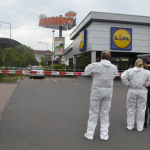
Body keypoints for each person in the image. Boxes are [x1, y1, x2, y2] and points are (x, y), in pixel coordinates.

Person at [84, 50, 118, 141]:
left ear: (101, 56)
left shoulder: (95, 65)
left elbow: (86, 71)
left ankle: (90, 134)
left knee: (93, 112)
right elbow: (115, 75)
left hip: (97, 92)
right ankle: (104, 134)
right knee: (105, 113)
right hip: (108, 92)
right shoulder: (114, 67)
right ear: (110, 57)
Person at [121, 58, 150, 131]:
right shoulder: (146, 72)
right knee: (141, 109)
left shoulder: (130, 71)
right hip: (142, 91)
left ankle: (130, 126)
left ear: (135, 63)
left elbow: (123, 76)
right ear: (142, 64)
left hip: (132, 90)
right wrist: (146, 84)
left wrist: (128, 84)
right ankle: (140, 127)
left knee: (131, 109)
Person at [143, 58, 150, 128]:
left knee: (146, 106)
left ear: (145, 63)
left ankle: (145, 123)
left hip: (147, 89)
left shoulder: (146, 71)